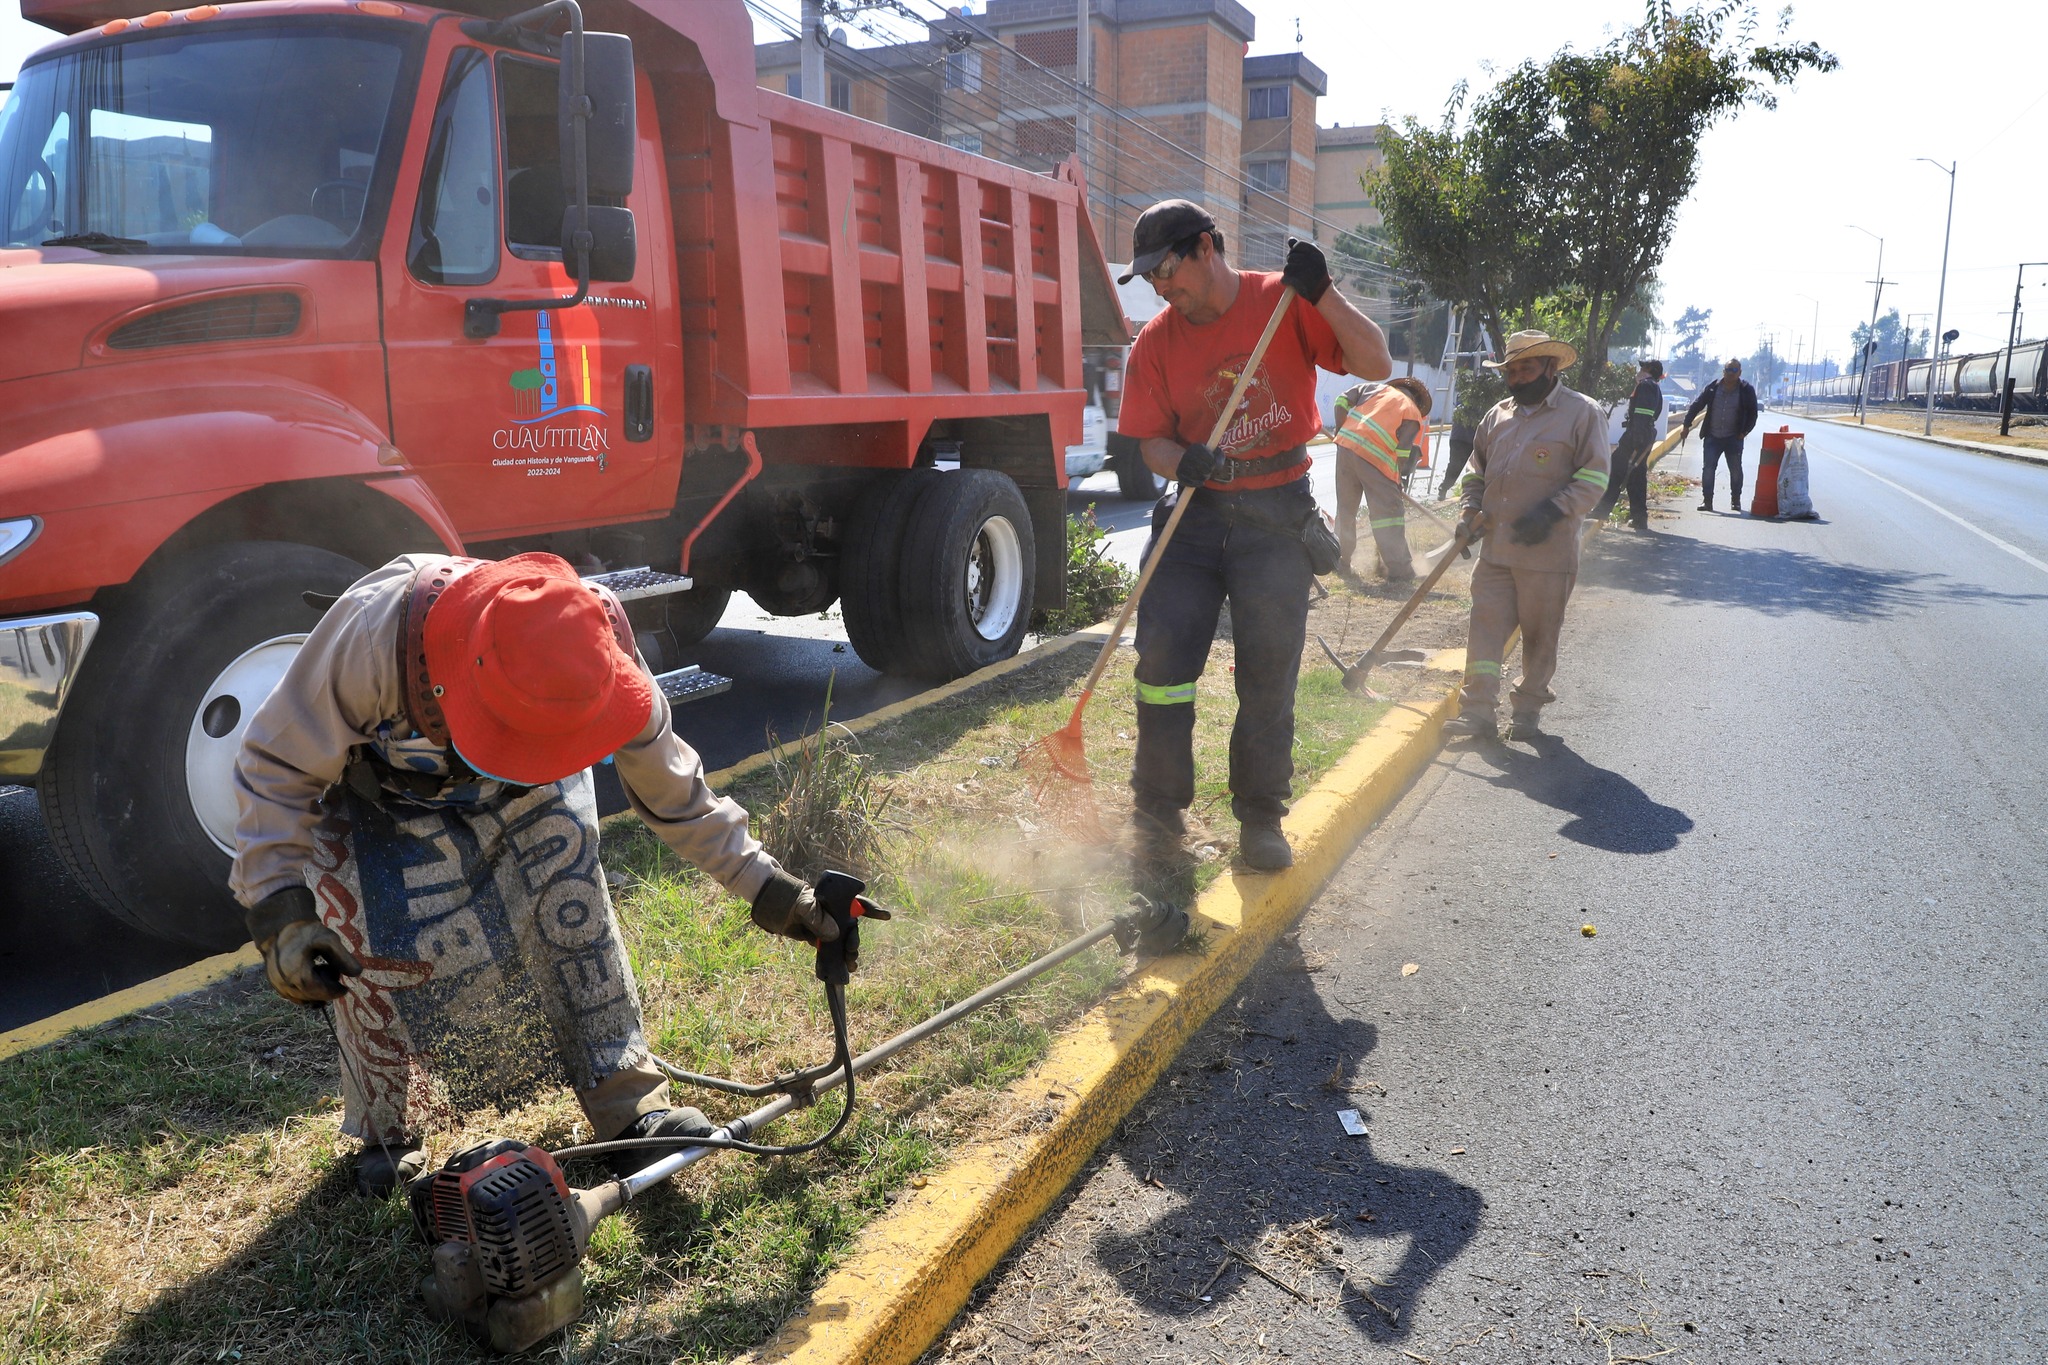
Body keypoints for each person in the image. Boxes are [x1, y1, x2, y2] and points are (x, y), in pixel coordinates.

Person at [230, 552, 839, 1196]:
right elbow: (276, 765)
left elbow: (676, 793)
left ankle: (629, 1107)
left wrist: (767, 886)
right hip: (374, 791)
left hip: (527, 788)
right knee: (368, 936)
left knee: (570, 895)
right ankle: (393, 1130)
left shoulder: (593, 650)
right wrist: (282, 915)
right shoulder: (373, 635)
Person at [1114, 200, 1391, 875]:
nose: (1161, 287)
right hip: (1197, 512)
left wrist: (1323, 292)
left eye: (1167, 270)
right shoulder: (1155, 341)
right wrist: (1183, 463)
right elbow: (1148, 438)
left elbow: (1376, 361)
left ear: (1206, 248)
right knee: (1162, 664)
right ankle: (1159, 807)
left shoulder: (1283, 303)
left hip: (1277, 513)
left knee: (1269, 669)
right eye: (1150, 278)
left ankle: (1261, 816)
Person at [1440, 331, 1611, 745]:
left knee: (1540, 635)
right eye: (1512, 370)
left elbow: (1595, 477)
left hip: (1548, 556)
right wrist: (1468, 512)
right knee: (1484, 629)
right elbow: (1475, 472)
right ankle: (1478, 711)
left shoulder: (1582, 414)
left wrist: (1552, 510)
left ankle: (1528, 707)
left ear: (1551, 368)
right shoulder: (1497, 415)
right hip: (1496, 552)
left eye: (1526, 368)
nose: (1516, 377)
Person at [1332, 376, 1433, 582]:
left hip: (1346, 447)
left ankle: (1341, 561)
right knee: (1388, 515)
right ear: (1416, 401)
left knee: (1346, 510)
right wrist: (1396, 482)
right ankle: (1399, 570)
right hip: (1375, 460)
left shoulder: (1373, 389)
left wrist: (1340, 427)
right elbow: (1402, 455)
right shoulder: (1412, 412)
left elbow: (1341, 400)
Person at [1592, 359, 1664, 530]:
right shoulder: (1652, 386)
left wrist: (1636, 441)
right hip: (1641, 436)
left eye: (1643, 367)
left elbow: (1642, 414)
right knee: (1635, 478)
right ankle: (1639, 519)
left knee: (1615, 472)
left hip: (1635, 437)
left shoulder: (1646, 385)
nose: (1639, 370)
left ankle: (1601, 512)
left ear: (1650, 370)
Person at [1682, 359, 1759, 513]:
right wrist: (1686, 425)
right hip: (1713, 436)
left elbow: (1753, 413)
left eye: (1734, 370)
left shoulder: (1746, 390)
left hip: (1734, 437)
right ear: (1723, 371)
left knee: (1735, 469)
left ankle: (1735, 500)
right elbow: (1697, 405)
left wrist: (1744, 432)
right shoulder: (1713, 388)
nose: (1731, 373)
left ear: (1740, 372)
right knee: (1708, 469)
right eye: (1728, 369)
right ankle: (1707, 501)